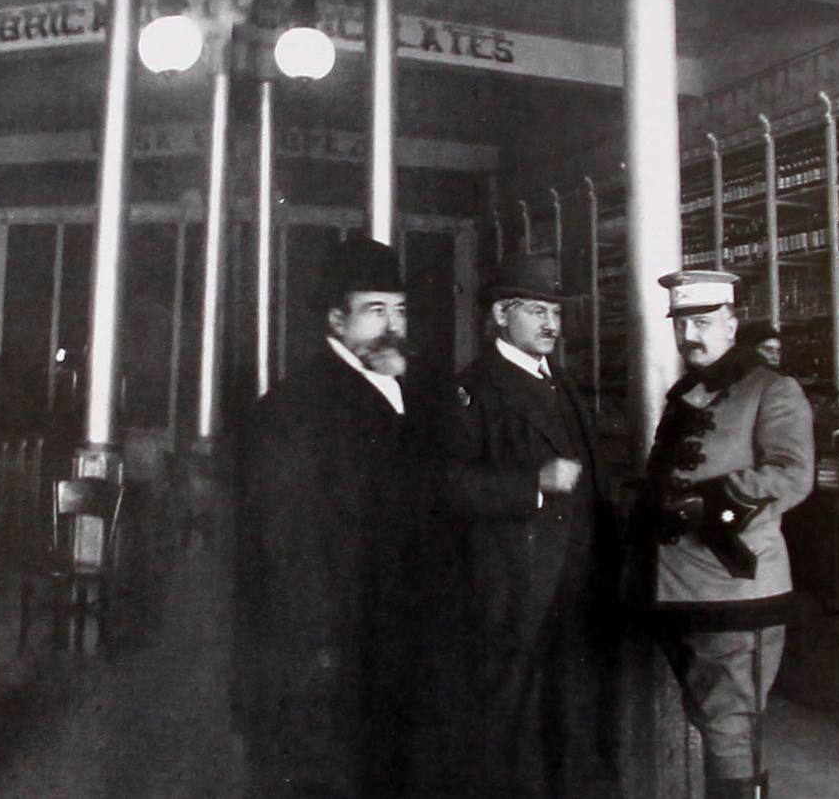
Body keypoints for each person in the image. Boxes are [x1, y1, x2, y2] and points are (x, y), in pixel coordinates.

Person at [233, 237, 439, 797]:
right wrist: (317, 650)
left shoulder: (405, 393)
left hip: (391, 637)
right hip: (328, 649)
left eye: (399, 310)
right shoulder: (295, 409)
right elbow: (286, 544)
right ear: (335, 320)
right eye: (375, 310)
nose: (393, 325)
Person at [430, 253, 617, 797]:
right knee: (512, 729)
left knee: (574, 720)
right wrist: (533, 482)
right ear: (499, 315)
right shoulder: (472, 390)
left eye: (555, 313)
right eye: (537, 311)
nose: (551, 325)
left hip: (575, 584)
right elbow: (448, 485)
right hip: (513, 588)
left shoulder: (563, 384)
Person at [633, 269, 814, 799]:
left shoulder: (772, 389)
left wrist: (712, 502)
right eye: (683, 323)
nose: (692, 336)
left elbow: (792, 473)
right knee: (710, 719)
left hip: (738, 586)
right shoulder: (687, 393)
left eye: (706, 322)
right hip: (677, 586)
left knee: (732, 728)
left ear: (732, 324)